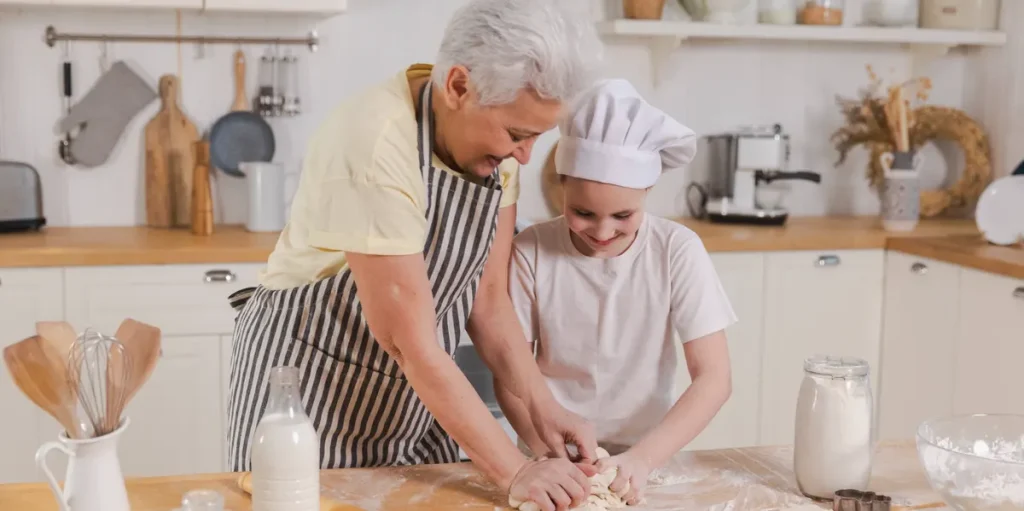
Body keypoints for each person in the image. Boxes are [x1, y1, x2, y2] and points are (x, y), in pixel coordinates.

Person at [224, 1, 605, 510]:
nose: (526, 155)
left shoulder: (497, 152)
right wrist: (516, 472)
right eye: (517, 135)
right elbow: (411, 345)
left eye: (536, 136)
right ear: (457, 87)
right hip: (311, 387)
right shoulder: (376, 140)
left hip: (415, 391)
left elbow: (488, 302)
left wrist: (544, 408)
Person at [500, 79, 737, 506]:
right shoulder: (531, 251)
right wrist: (547, 456)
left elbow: (714, 378)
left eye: (623, 215)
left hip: (646, 462)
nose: (603, 232)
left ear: (646, 192)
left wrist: (644, 460)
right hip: (545, 459)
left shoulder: (675, 251)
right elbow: (511, 375)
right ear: (563, 188)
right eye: (583, 213)